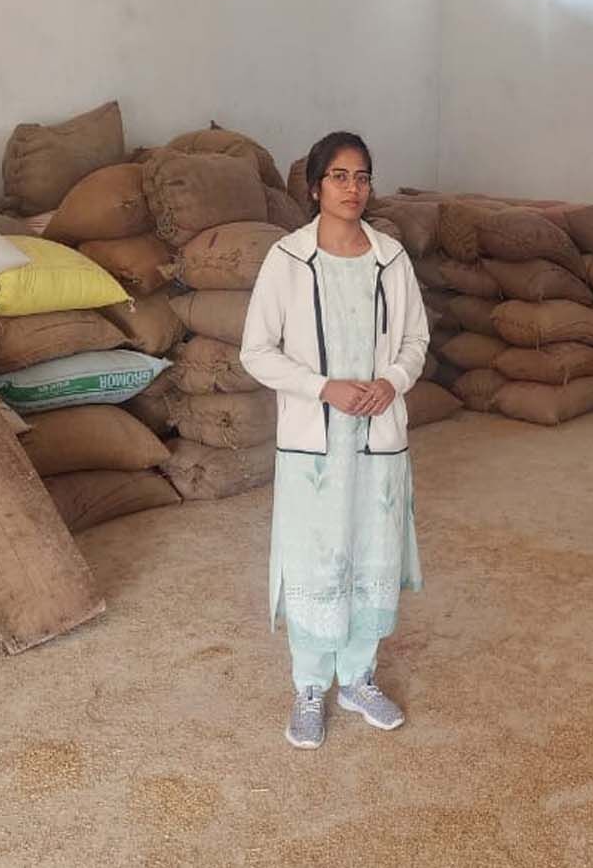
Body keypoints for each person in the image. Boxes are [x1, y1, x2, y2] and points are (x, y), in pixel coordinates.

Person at [239, 131, 429, 750]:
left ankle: (359, 678)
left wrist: (391, 381)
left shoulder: (391, 260)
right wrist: (324, 388)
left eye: (363, 177)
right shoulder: (288, 261)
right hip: (314, 446)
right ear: (315, 186)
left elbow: (416, 341)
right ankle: (310, 686)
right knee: (315, 559)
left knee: (373, 552)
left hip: (378, 438)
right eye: (340, 176)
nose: (353, 188)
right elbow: (255, 352)